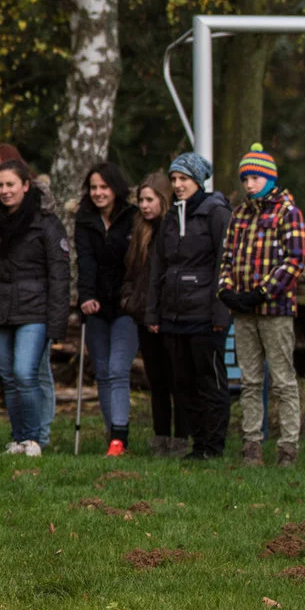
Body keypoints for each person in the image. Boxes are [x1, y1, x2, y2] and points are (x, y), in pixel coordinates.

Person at [0, 157, 69, 456]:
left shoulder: (47, 222)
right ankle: (19, 437)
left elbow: (60, 273)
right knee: (10, 378)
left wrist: (57, 321)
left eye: (10, 184)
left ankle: (35, 438)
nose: (4, 191)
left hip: (33, 310)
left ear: (26, 185)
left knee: (26, 374)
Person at [217, 144, 305, 467]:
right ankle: (252, 445)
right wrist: (226, 290)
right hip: (243, 312)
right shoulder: (240, 214)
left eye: (255, 177)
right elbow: (227, 257)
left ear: (269, 178)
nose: (249, 184)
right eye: (245, 178)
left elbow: (295, 260)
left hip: (275, 311)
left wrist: (263, 292)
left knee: (283, 380)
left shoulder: (288, 213)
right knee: (250, 381)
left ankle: (288, 447)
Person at [153, 152, 232, 460]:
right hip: (174, 314)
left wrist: (219, 312)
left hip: (206, 314)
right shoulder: (171, 216)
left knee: (210, 381)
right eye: (173, 179)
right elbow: (159, 266)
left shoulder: (217, 213)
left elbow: (223, 266)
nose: (177, 185)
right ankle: (197, 444)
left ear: (198, 181)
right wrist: (155, 311)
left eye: (183, 179)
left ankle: (213, 446)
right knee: (183, 383)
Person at [74, 162, 138, 457]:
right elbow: (85, 260)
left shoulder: (133, 217)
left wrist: (131, 297)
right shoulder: (85, 219)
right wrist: (86, 296)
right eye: (94, 188)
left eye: (104, 187)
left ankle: (120, 435)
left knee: (117, 369)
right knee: (101, 370)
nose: (98, 193)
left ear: (115, 189)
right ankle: (112, 433)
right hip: (96, 304)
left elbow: (137, 262)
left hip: (126, 305)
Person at [123, 173, 188, 455]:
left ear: (163, 200)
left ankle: (182, 436)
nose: (145, 206)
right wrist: (129, 300)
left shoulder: (174, 229)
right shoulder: (138, 231)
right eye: (141, 200)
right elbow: (131, 272)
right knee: (157, 380)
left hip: (170, 315)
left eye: (150, 200)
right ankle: (160, 435)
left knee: (178, 378)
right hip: (142, 314)